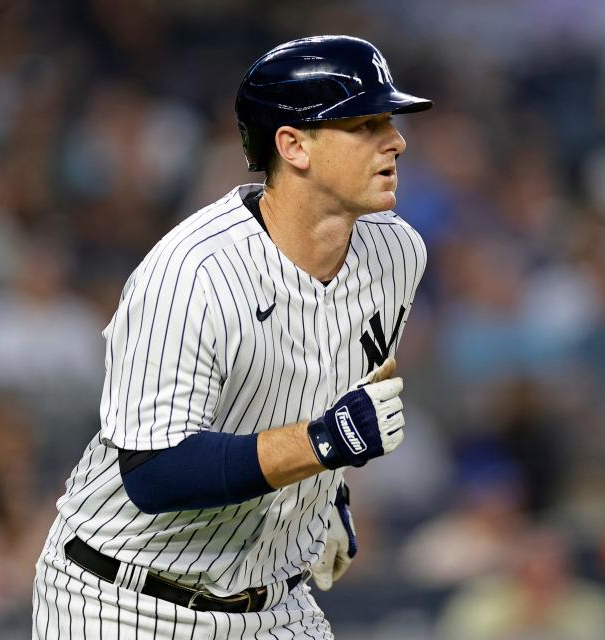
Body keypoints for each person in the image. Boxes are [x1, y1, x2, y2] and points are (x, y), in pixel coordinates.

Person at [32, 35, 431, 639]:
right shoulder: (192, 273)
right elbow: (154, 473)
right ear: (293, 145)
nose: (395, 139)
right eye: (365, 123)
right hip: (124, 598)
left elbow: (344, 382)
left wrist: (327, 499)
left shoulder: (397, 251)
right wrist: (323, 444)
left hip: (275, 604)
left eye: (390, 121)